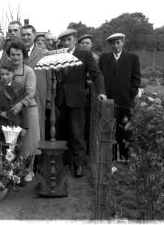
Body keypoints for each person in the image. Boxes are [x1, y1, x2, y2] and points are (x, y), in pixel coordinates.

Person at [56, 29, 106, 177]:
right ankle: (64, 164)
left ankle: (79, 165)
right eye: (63, 40)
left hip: (77, 100)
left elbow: (96, 74)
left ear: (75, 40)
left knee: (77, 134)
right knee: (62, 133)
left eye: (69, 39)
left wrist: (102, 91)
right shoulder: (58, 56)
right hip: (60, 100)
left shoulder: (85, 54)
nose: (66, 42)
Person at [99, 33, 141, 160]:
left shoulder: (132, 57)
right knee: (108, 128)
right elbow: (99, 76)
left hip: (125, 101)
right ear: (110, 45)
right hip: (108, 100)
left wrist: (131, 92)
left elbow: (136, 78)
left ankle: (124, 156)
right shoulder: (104, 57)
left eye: (118, 42)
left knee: (125, 129)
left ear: (123, 43)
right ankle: (110, 156)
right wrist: (102, 92)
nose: (116, 46)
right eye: (113, 43)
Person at [6, 41, 40, 182]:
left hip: (28, 108)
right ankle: (13, 170)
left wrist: (21, 104)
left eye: (18, 54)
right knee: (11, 141)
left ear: (23, 56)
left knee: (29, 141)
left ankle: (29, 170)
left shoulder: (28, 71)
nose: (15, 57)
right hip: (11, 110)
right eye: (12, 54)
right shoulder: (6, 70)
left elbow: (31, 92)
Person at [20, 25, 51, 156]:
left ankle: (38, 156)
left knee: (38, 124)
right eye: (23, 35)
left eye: (28, 34)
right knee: (23, 124)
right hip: (20, 94)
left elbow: (49, 75)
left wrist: (48, 97)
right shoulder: (18, 51)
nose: (26, 37)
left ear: (34, 35)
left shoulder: (43, 53)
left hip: (39, 93)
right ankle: (23, 156)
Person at [0, 61, 27, 143]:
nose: (4, 77)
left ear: (13, 73)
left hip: (16, 125)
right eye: (2, 74)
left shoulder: (20, 88)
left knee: (14, 150)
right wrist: (1, 113)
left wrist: (24, 127)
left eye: (7, 74)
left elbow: (24, 109)